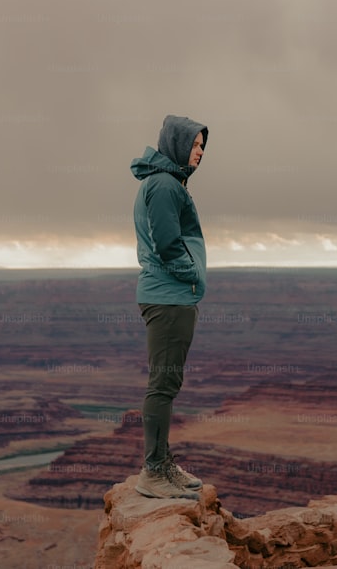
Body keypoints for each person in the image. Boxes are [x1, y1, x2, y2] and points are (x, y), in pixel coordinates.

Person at [130, 115, 208, 499]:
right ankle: (154, 471)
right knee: (162, 386)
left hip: (170, 296)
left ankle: (163, 462)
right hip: (168, 296)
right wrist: (191, 275)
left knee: (168, 383)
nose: (200, 153)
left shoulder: (165, 182)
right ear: (176, 143)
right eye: (195, 145)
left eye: (202, 147)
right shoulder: (163, 186)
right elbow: (166, 244)